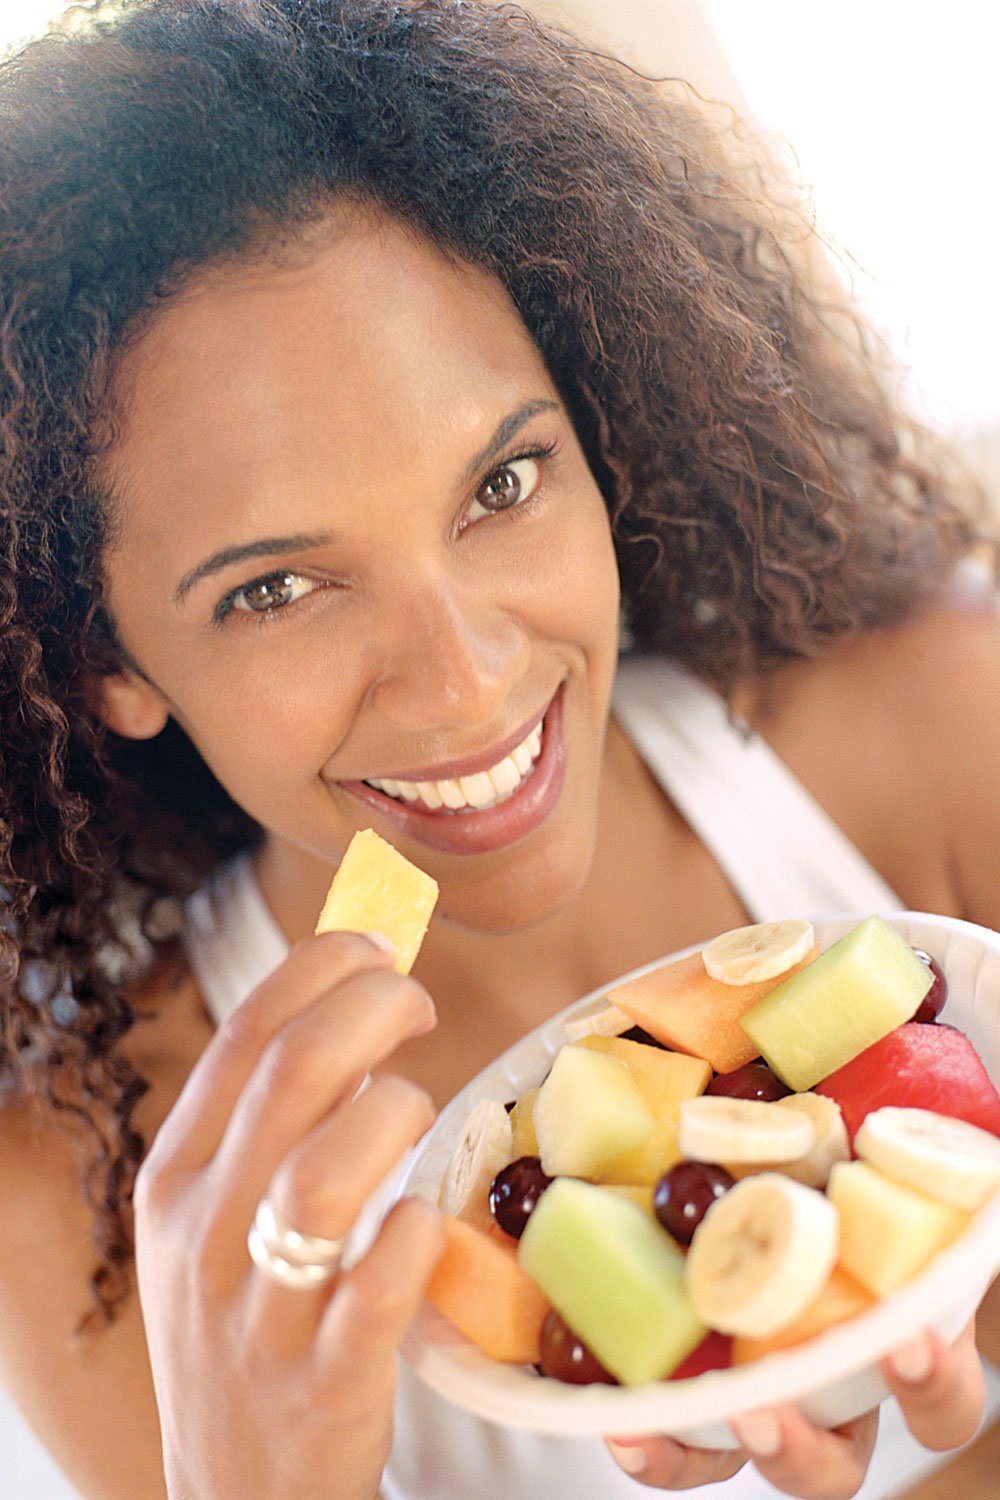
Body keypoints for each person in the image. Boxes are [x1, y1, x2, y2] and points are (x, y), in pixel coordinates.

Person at [0, 2, 996, 1497]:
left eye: (504, 481)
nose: (467, 682)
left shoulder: (941, 731)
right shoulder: (91, 1195)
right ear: (106, 666)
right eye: (277, 589)